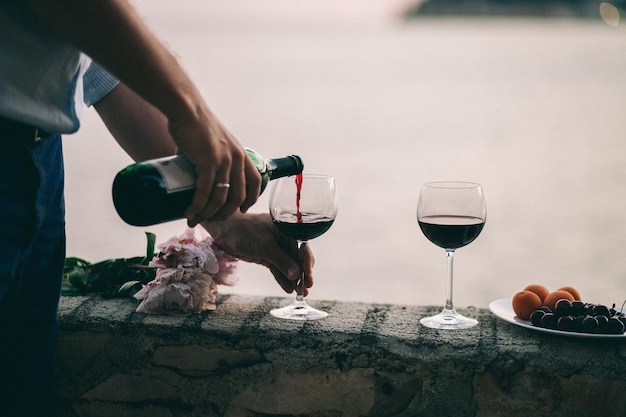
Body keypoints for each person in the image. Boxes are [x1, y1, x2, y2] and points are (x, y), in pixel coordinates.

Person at [0, 1, 314, 416]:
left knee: (20, 389)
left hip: (37, 161)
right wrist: (190, 111)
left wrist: (224, 217)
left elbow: (98, 65)